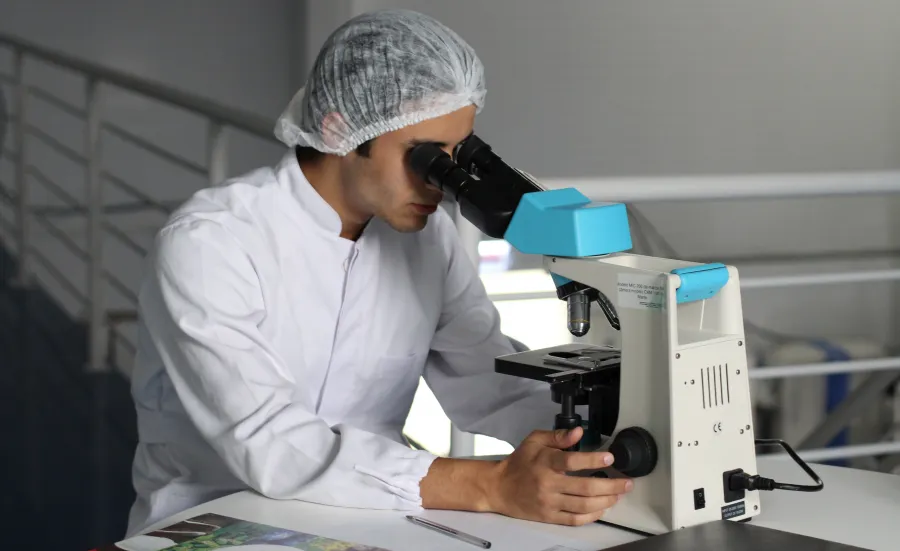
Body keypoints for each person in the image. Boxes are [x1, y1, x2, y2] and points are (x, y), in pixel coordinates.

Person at [126, 9, 632, 537]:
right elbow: (271, 443)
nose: (443, 182)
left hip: (371, 514)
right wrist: (492, 484)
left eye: (459, 154)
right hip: (216, 521)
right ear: (340, 129)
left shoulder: (425, 239)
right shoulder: (213, 243)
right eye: (427, 158)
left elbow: (489, 382)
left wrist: (594, 443)